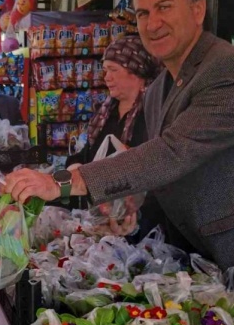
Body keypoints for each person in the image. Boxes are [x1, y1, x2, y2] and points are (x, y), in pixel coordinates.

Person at [3, 0, 234, 298]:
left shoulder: (229, 71)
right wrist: (133, 208)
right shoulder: (157, 89)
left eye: (164, 7)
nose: (152, 23)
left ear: (198, 10)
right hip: (207, 264)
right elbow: (165, 174)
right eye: (142, 13)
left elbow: (172, 153)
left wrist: (62, 183)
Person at [65, 36, 163, 238]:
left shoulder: (154, 114)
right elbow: (86, 155)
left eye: (113, 70)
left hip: (142, 225)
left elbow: (158, 170)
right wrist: (73, 168)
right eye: (105, 70)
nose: (106, 77)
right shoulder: (105, 112)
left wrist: (135, 219)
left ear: (137, 72)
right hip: (103, 217)